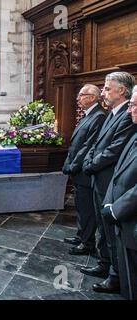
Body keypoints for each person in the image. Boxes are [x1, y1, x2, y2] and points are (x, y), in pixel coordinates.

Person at [81, 72, 137, 293]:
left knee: (113, 232)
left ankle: (115, 274)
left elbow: (114, 149)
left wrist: (92, 164)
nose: (102, 93)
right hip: (102, 177)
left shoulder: (126, 116)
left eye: (106, 88)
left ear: (122, 90)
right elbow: (97, 143)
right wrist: (90, 161)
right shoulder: (112, 114)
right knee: (103, 229)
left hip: (110, 177)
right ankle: (107, 265)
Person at [100, 87, 137, 299]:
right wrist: (109, 202)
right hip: (122, 217)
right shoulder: (134, 136)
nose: (130, 110)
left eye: (133, 105)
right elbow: (119, 172)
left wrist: (116, 209)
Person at [62, 85, 106, 255]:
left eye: (82, 95)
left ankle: (87, 243)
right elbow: (77, 143)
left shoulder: (99, 116)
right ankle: (81, 236)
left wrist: (74, 165)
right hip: (78, 169)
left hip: (84, 170)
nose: (78, 98)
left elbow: (89, 145)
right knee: (80, 205)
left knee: (87, 208)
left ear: (93, 97)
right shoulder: (89, 115)